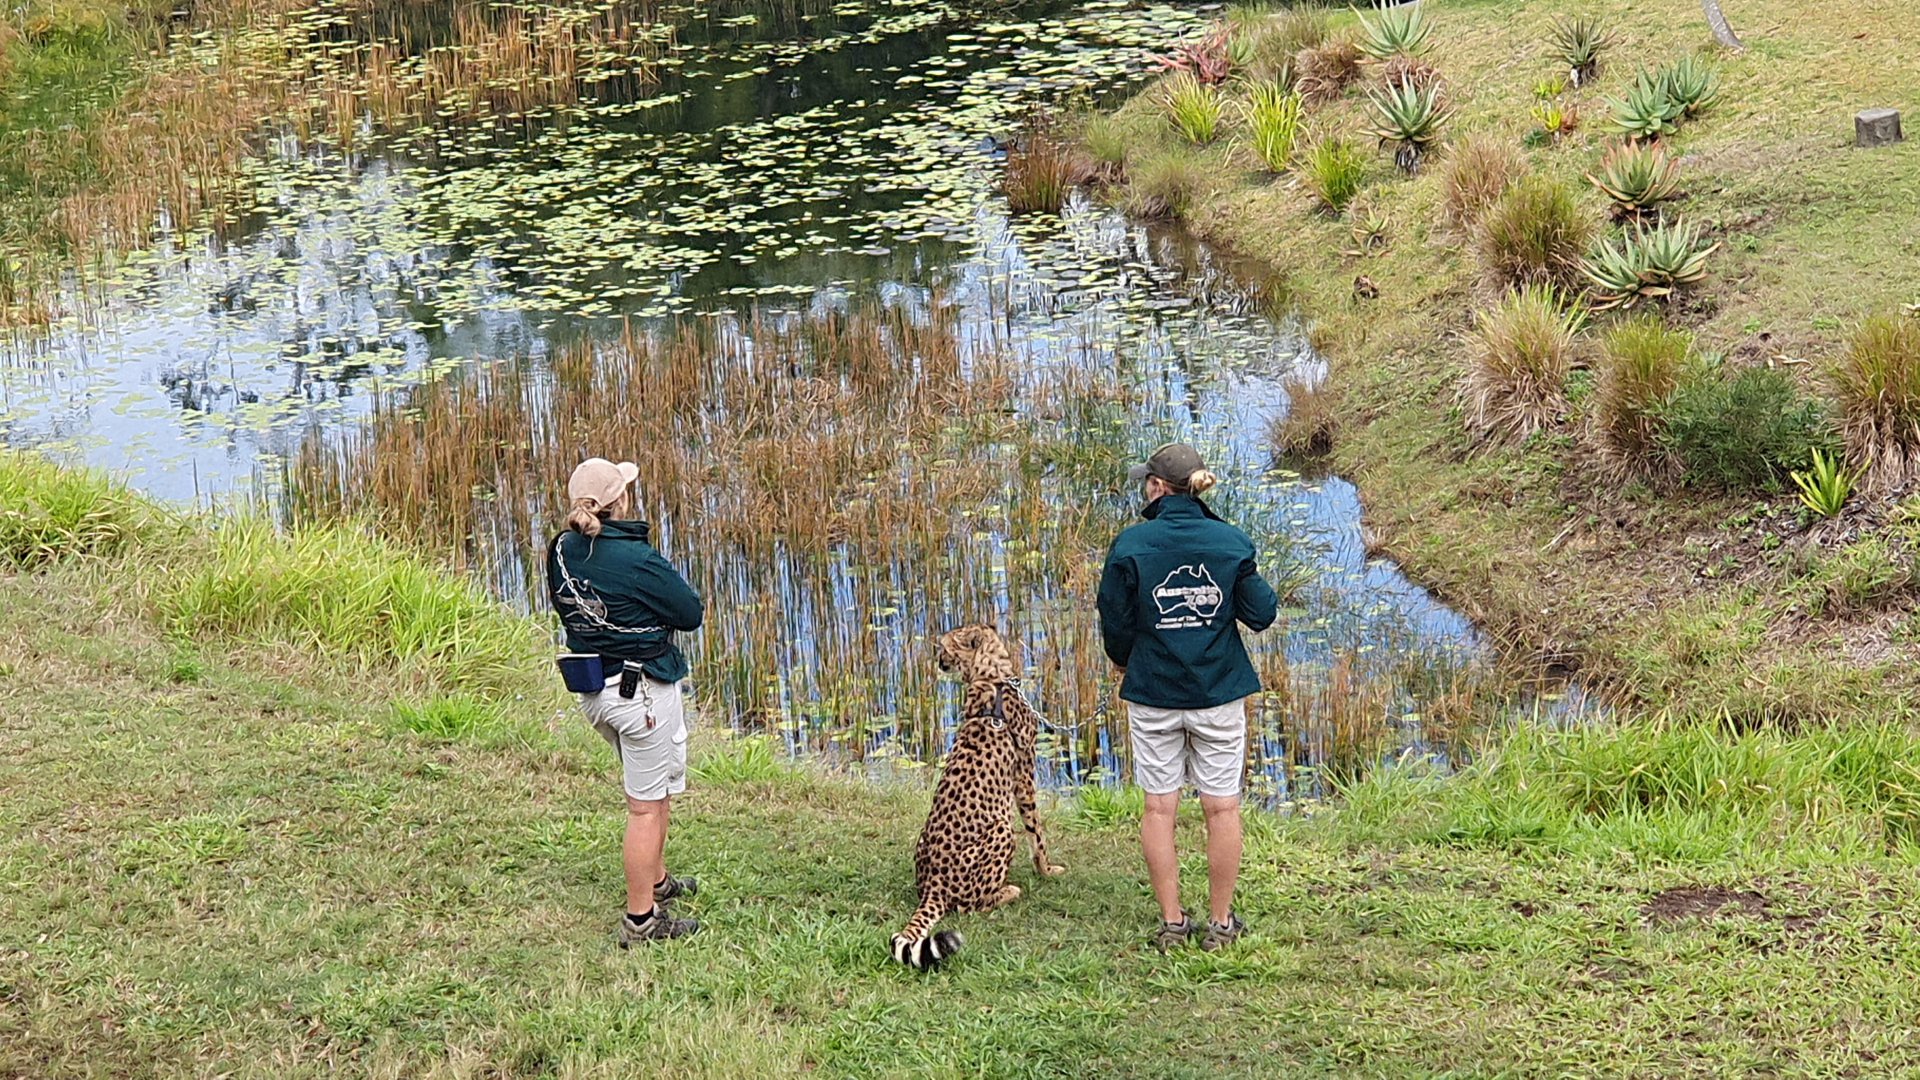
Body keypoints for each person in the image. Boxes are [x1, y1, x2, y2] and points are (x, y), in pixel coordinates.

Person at [1096, 442, 1278, 952]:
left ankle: (1173, 923)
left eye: (1144, 482)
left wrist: (1124, 661)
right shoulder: (1231, 541)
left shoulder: (1130, 545)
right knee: (1222, 810)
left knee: (1159, 809)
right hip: (1219, 694)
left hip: (1153, 694)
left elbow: (1116, 623)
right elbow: (1261, 613)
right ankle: (1221, 925)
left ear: (1156, 487)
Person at [546, 457, 706, 947]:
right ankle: (642, 920)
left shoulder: (559, 550)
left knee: (652, 791)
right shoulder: (636, 560)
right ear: (620, 502)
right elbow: (690, 612)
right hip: (642, 696)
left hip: (597, 692)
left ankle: (658, 881)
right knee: (645, 806)